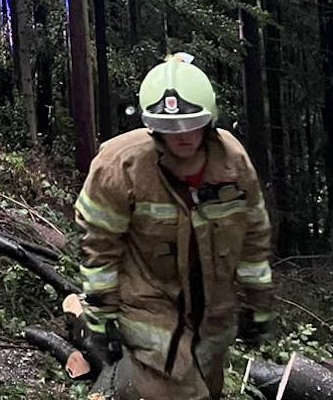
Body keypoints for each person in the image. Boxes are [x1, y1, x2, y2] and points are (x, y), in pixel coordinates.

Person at [73, 54, 275, 400]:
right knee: (180, 392)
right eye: (169, 128)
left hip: (213, 311)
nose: (181, 136)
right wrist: (100, 318)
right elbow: (99, 246)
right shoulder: (120, 166)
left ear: (209, 120)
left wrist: (259, 304)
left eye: (190, 125)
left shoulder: (233, 164)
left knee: (206, 389)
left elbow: (253, 237)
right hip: (149, 306)